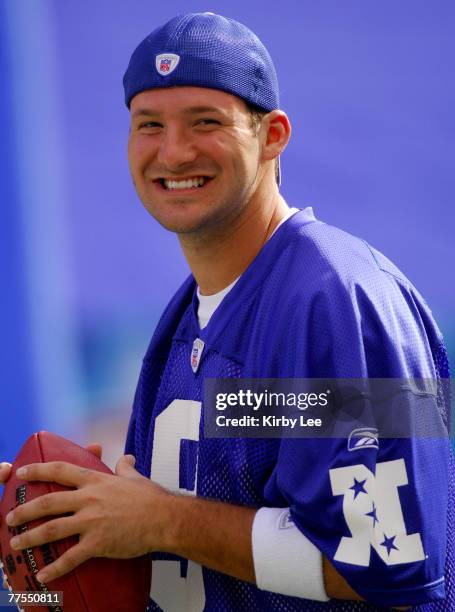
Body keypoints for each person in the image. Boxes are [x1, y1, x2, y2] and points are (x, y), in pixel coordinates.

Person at [0, 12, 453, 611]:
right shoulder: (186, 315)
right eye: (149, 124)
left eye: (205, 122)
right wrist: (69, 521)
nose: (174, 151)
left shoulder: (341, 299)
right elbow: (246, 463)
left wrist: (162, 520)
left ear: (273, 136)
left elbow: (393, 561)